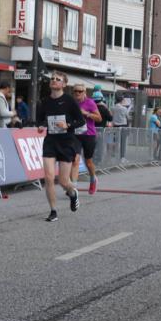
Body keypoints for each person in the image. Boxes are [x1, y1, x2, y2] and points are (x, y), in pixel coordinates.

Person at [36, 71, 85, 221]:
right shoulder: (44, 102)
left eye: (58, 79)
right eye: (52, 79)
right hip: (50, 142)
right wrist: (41, 126)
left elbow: (81, 121)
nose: (54, 81)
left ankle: (73, 192)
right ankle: (53, 211)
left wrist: (68, 125)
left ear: (63, 84)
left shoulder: (69, 101)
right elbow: (40, 120)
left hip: (66, 142)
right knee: (49, 178)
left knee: (63, 181)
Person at [70, 85, 102, 195]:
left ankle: (93, 179)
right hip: (76, 135)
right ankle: (73, 187)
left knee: (88, 161)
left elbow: (99, 118)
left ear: (85, 92)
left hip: (89, 135)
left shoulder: (90, 103)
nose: (77, 93)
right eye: (75, 91)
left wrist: (86, 113)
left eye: (80, 91)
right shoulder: (71, 103)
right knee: (75, 160)